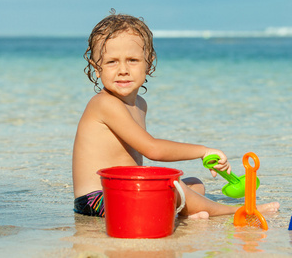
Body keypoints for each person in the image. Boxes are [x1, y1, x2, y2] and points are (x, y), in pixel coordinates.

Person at [72, 11, 279, 219]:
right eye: (111, 62)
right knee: (173, 185)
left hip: (124, 191)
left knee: (195, 184)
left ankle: (184, 213)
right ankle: (235, 211)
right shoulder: (105, 103)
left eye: (132, 60)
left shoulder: (140, 104)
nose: (123, 70)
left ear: (149, 63)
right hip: (98, 200)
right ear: (96, 68)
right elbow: (152, 149)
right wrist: (203, 151)